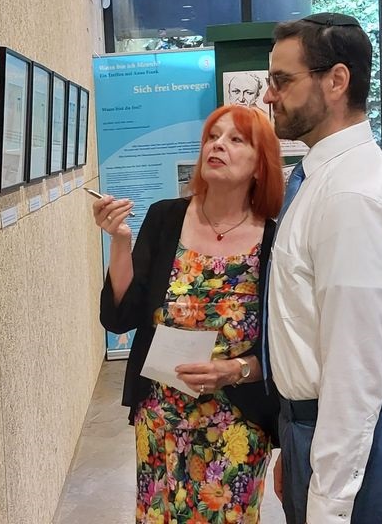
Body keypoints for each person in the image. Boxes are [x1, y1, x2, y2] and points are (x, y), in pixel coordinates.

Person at [262, 12, 382, 524]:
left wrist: (330, 502)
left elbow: (354, 367)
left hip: (362, 440)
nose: (268, 95)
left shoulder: (353, 195)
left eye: (282, 81)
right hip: (326, 431)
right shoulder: (324, 177)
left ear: (336, 81)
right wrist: (297, 442)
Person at [95, 104, 284, 524]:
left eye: (236, 139)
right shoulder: (165, 218)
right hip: (161, 417)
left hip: (237, 423)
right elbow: (120, 317)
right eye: (213, 137)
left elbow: (281, 346)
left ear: (260, 165)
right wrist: (120, 241)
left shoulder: (274, 239)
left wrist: (235, 370)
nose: (218, 145)